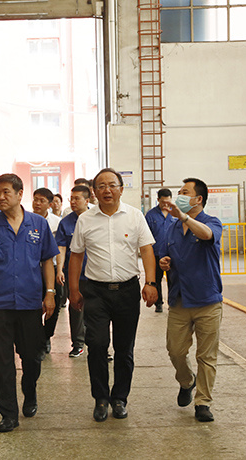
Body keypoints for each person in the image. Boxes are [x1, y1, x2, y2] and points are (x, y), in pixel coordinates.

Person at [0, 173, 59, 433]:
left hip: (30, 304)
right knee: (3, 361)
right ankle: (8, 414)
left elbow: (47, 261)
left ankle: (30, 392)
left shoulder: (38, 224)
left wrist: (50, 293)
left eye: (6, 192)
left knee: (31, 358)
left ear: (20, 194)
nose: (0, 197)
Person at [69, 168, 158, 422]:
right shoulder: (85, 219)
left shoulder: (135, 216)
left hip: (127, 291)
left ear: (121, 188)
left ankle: (119, 398)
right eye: (101, 186)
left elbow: (147, 250)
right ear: (94, 192)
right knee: (96, 344)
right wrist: (73, 290)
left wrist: (151, 282)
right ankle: (100, 398)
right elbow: (76, 255)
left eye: (112, 185)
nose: (107, 190)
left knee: (124, 348)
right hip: (96, 292)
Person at [158, 178, 223, 423]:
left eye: (185, 192)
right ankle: (187, 381)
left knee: (206, 356)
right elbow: (167, 254)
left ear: (198, 199)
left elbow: (207, 235)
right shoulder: (172, 228)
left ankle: (203, 402)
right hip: (180, 299)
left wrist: (184, 218)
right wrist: (165, 261)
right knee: (175, 351)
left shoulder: (211, 222)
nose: (180, 196)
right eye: (179, 192)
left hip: (207, 300)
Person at [55, 185, 90, 358]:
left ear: (87, 200)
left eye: (77, 198)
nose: (73, 202)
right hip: (75, 274)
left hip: (96, 274)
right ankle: (78, 344)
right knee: (76, 308)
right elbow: (61, 247)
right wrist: (59, 269)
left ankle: (100, 345)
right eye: (72, 198)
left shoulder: (96, 218)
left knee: (97, 310)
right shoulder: (66, 222)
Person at [32, 187, 62, 358]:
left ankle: (46, 336)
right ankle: (37, 339)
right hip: (33, 270)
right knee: (35, 306)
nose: (37, 203)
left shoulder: (57, 222)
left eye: (41, 201)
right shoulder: (27, 221)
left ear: (50, 204)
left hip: (54, 269)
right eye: (35, 199)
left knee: (54, 305)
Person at [145, 188, 175, 313]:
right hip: (156, 254)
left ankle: (172, 303)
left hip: (173, 254)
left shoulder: (176, 214)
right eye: (163, 202)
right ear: (158, 200)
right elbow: (146, 236)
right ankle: (158, 303)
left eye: (168, 202)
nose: (166, 204)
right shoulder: (151, 215)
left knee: (173, 280)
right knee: (156, 280)